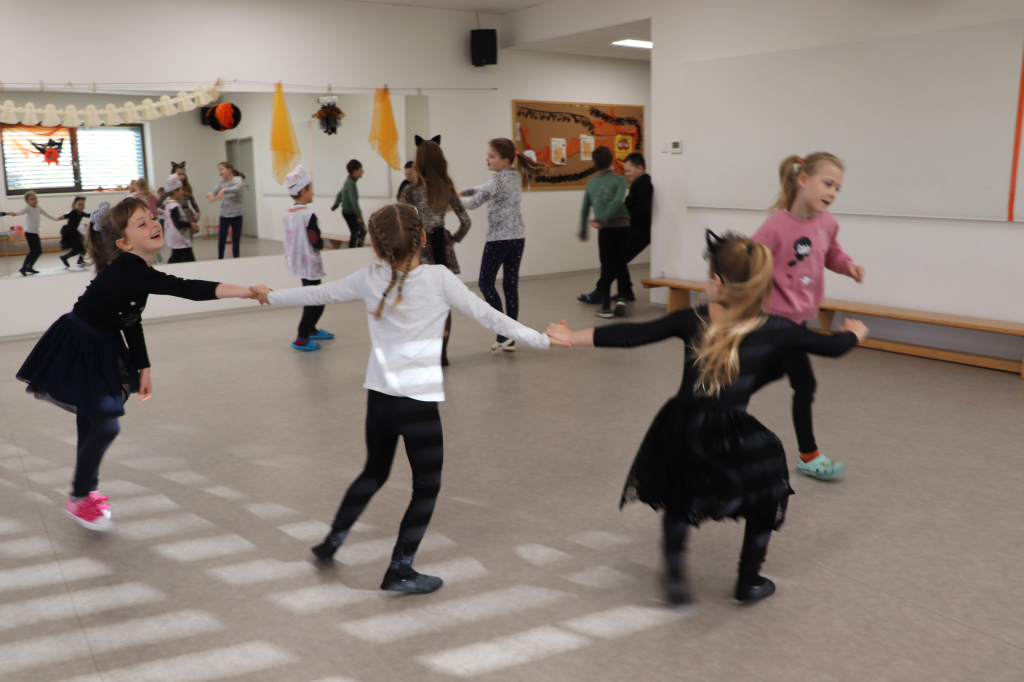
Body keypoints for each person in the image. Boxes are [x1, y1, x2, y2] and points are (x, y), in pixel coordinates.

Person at [546, 231, 868, 605]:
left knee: (679, 497)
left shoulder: (692, 319)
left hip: (683, 424)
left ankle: (675, 580)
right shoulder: (778, 329)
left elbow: (633, 334)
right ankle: (748, 580)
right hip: (733, 428)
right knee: (767, 493)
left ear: (716, 282)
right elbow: (832, 348)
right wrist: (854, 333)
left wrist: (571, 335)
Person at [249, 204, 558, 593]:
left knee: (373, 473)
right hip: (418, 407)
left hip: (380, 401)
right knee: (426, 485)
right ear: (424, 238)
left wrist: (269, 296)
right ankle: (400, 570)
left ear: (377, 248)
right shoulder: (440, 279)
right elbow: (491, 317)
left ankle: (331, 542)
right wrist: (543, 339)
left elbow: (319, 293)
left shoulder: (369, 277)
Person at [15, 198, 254, 531]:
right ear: (124, 243)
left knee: (92, 422)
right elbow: (185, 288)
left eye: (152, 217)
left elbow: (130, 318)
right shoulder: (129, 268)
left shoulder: (136, 271)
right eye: (142, 223)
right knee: (105, 425)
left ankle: (86, 492)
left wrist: (144, 367)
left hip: (101, 343)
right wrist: (243, 291)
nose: (154, 223)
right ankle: (78, 498)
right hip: (80, 345)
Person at [751, 153, 865, 481]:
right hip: (775, 319)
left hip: (798, 318)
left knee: (770, 371)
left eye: (837, 188)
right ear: (803, 180)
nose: (832, 193)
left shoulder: (826, 222)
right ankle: (809, 455)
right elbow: (749, 260)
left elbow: (831, 253)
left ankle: (718, 400)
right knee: (804, 383)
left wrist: (848, 266)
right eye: (827, 184)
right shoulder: (775, 227)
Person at [458, 138, 545, 352]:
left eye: (491, 156)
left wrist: (453, 200)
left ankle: (503, 332)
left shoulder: (496, 180)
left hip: (498, 240)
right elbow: (484, 189)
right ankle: (510, 337)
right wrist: (464, 190)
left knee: (485, 283)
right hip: (518, 238)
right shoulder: (515, 176)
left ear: (505, 161)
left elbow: (474, 203)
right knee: (510, 285)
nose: (486, 158)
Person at [399, 136, 471, 366]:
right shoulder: (447, 188)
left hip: (419, 251)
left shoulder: (410, 191)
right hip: (442, 249)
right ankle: (442, 354)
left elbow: (399, 221)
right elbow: (466, 222)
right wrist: (453, 239)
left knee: (419, 303)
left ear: (418, 162)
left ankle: (422, 351)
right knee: (443, 302)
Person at [282, 166, 334, 351]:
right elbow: (314, 239)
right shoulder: (308, 214)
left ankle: (311, 329)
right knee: (316, 300)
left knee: (312, 296)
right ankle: (302, 336)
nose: (313, 192)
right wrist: (321, 244)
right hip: (310, 264)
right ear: (303, 191)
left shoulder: (288, 214)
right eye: (311, 188)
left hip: (298, 264)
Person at [575, 146, 631, 318]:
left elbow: (585, 208)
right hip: (622, 227)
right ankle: (621, 300)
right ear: (613, 161)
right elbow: (617, 201)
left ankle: (606, 307)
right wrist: (604, 218)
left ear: (594, 165)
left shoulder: (591, 183)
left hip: (605, 230)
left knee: (606, 267)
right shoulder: (620, 180)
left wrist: (584, 228)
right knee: (620, 263)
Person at [4, 191, 59, 276]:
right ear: (27, 201)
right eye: (32, 199)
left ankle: (30, 268)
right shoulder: (28, 207)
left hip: (35, 233)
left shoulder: (38, 207)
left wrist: (56, 219)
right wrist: (13, 214)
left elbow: (46, 214)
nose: (34, 200)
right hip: (29, 234)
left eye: (35, 198)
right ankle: (23, 268)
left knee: (39, 251)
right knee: (33, 251)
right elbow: (20, 212)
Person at [207, 162, 246, 259]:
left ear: (229, 170)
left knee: (236, 239)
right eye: (219, 170)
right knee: (222, 238)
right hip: (224, 215)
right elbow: (214, 192)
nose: (220, 172)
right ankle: (220, 258)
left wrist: (224, 190)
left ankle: (236, 258)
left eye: (221, 169)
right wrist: (210, 195)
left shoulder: (238, 179)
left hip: (237, 214)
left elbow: (237, 188)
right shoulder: (221, 183)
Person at [163, 175, 199, 263]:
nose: (183, 192)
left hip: (176, 238)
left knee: (177, 257)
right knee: (187, 259)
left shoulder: (169, 203)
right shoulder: (174, 206)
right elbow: (176, 222)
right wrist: (190, 224)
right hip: (180, 238)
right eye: (181, 189)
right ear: (175, 192)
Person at [331, 159, 366, 248]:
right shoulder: (351, 183)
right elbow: (353, 200)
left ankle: (355, 249)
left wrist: (336, 204)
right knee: (361, 231)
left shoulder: (349, 181)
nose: (363, 171)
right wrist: (359, 216)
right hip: (350, 213)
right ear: (355, 171)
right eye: (361, 170)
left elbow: (341, 193)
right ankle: (356, 250)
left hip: (347, 212)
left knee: (356, 232)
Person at [58, 196, 90, 268]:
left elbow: (88, 215)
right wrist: (63, 217)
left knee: (83, 247)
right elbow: (68, 215)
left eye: (83, 204)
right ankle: (65, 257)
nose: (81, 206)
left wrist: (97, 214)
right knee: (79, 249)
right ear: (74, 205)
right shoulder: (74, 212)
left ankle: (80, 260)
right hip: (70, 233)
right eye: (79, 204)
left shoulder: (81, 213)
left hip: (75, 232)